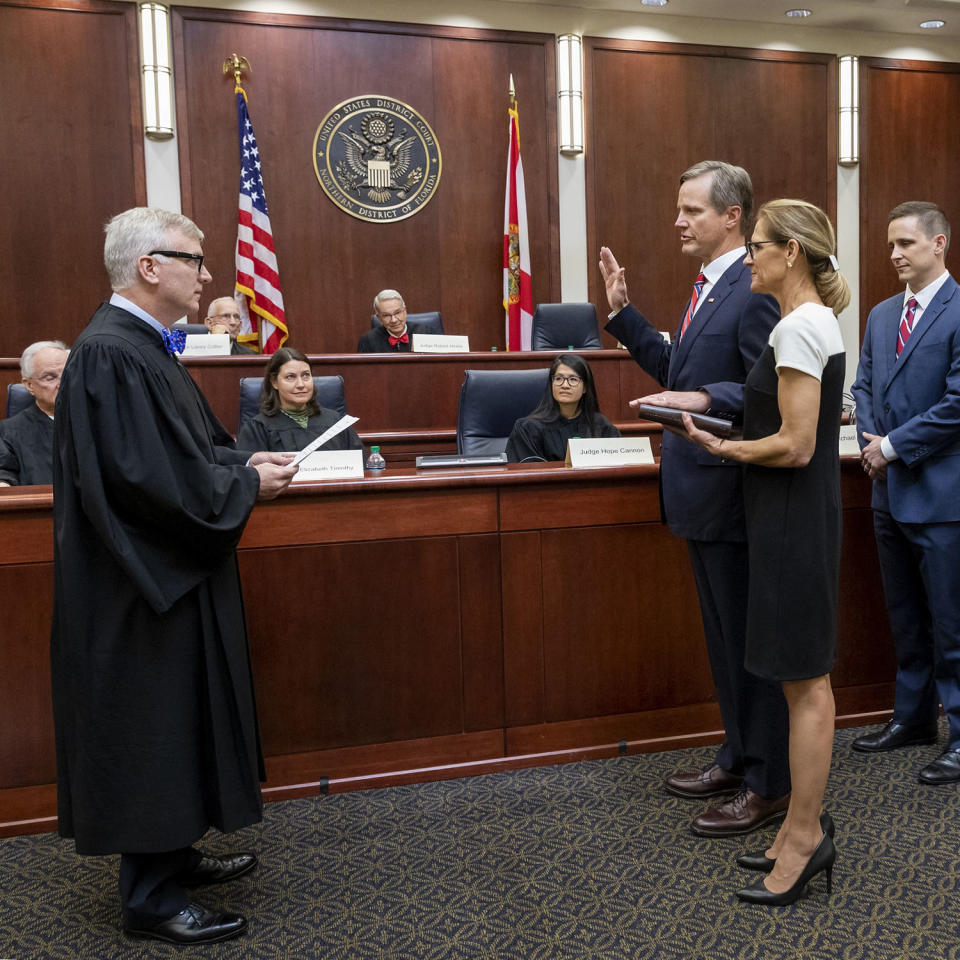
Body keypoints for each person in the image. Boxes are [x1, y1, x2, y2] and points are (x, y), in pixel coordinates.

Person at [51, 207, 298, 945]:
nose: (208, 273)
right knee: (150, 726)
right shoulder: (111, 354)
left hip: (159, 579)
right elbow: (144, 481)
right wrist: (248, 489)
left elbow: (183, 453)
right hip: (138, 588)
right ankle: (150, 900)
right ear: (148, 267)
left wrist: (238, 465)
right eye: (193, 259)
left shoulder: (141, 346)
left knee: (175, 721)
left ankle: (173, 854)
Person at [600, 160, 790, 838]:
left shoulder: (753, 285)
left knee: (748, 645)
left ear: (732, 216)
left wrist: (709, 398)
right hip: (699, 495)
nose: (678, 220)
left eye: (692, 210)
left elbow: (771, 388)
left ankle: (769, 784)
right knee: (722, 642)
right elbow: (680, 374)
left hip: (733, 494)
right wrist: (624, 316)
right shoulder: (710, 285)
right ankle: (738, 754)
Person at [683, 198, 848, 905]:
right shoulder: (805, 322)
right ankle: (795, 831)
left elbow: (797, 443)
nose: (748, 257)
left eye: (757, 246)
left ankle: (806, 836)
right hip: (789, 517)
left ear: (793, 253)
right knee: (793, 680)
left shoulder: (799, 326)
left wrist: (722, 445)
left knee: (806, 685)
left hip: (790, 520)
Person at [850, 202, 960, 783]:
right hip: (888, 492)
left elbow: (958, 403)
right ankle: (914, 719)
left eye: (907, 244)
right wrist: (873, 439)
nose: (894, 254)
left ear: (939, 244)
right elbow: (863, 382)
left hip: (941, 495)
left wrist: (888, 446)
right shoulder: (880, 314)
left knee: (952, 623)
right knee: (905, 617)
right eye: (891, 244)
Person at [237, 346, 365, 455]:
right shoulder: (257, 429)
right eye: (290, 377)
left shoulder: (336, 422)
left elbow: (361, 466)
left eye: (305, 375)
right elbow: (252, 476)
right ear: (274, 382)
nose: (301, 384)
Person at [505, 353, 619, 462]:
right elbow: (526, 474)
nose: (565, 385)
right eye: (559, 378)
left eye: (573, 379)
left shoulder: (601, 426)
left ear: (585, 388)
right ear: (551, 384)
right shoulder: (528, 429)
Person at [0, 340, 68, 486]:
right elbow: (4, 475)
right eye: (50, 378)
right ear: (29, 385)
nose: (62, 384)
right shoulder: (9, 432)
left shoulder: (97, 421)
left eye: (68, 374)